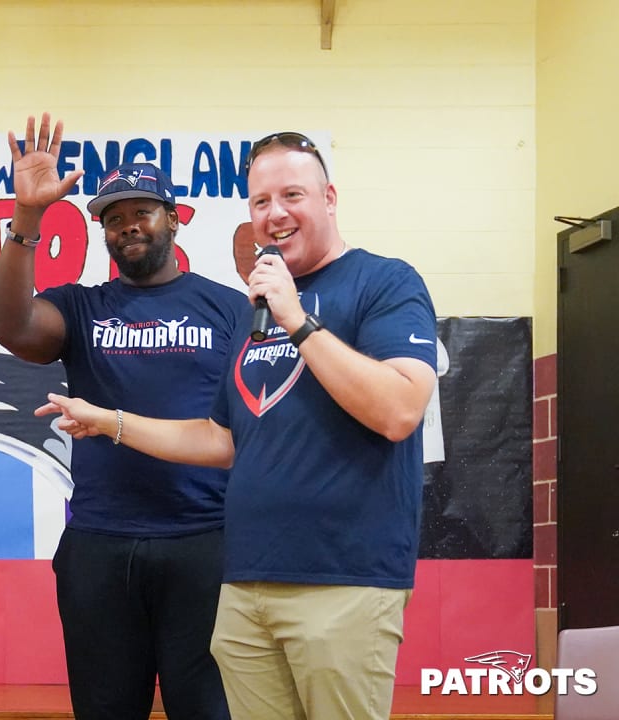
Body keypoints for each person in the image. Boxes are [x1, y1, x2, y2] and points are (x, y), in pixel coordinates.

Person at [37, 131, 438, 720]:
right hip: (245, 586)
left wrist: (297, 320)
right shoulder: (256, 311)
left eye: (292, 195)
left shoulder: (383, 282)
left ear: (329, 197)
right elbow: (222, 440)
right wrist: (111, 421)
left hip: (341, 581)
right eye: (259, 202)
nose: (274, 214)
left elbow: (401, 410)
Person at [0, 113, 242, 720]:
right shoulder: (82, 305)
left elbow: (249, 424)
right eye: (113, 217)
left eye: (142, 212)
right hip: (101, 543)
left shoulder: (229, 308)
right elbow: (10, 325)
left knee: (208, 710)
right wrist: (28, 217)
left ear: (173, 220)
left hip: (206, 541)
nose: (127, 226)